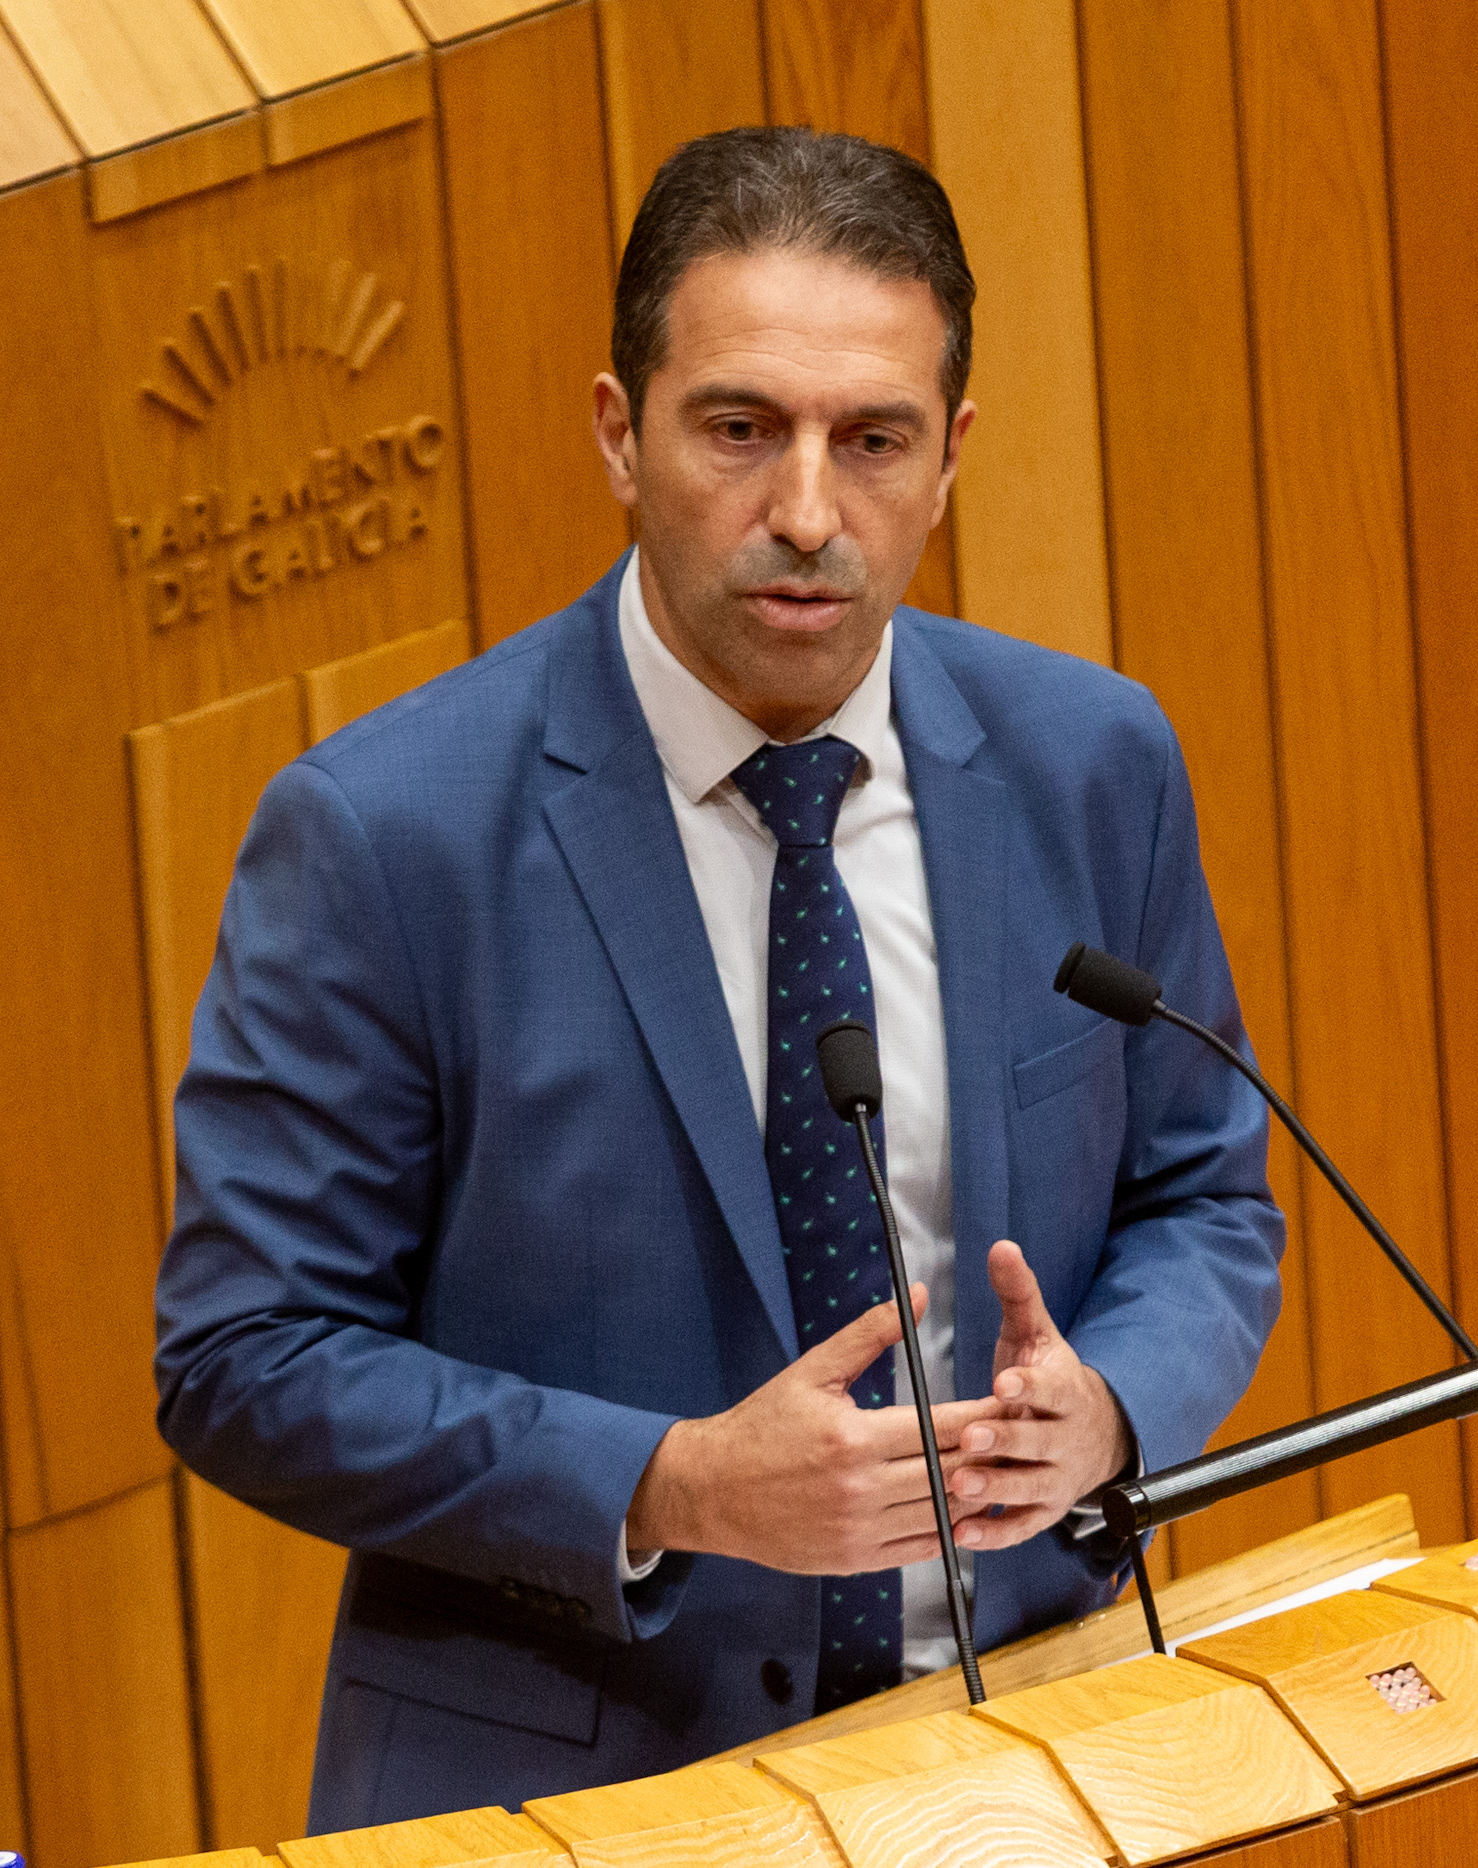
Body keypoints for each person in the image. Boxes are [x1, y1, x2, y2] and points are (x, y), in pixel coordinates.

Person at [154, 126, 1282, 1835]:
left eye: (873, 440)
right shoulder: (388, 836)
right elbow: (246, 1357)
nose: (809, 515)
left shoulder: (1088, 762)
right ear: (622, 433)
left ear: (952, 457)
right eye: (740, 430)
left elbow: (1207, 1197)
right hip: (578, 1797)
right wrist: (670, 1484)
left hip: (1025, 1758)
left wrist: (1112, 1406)